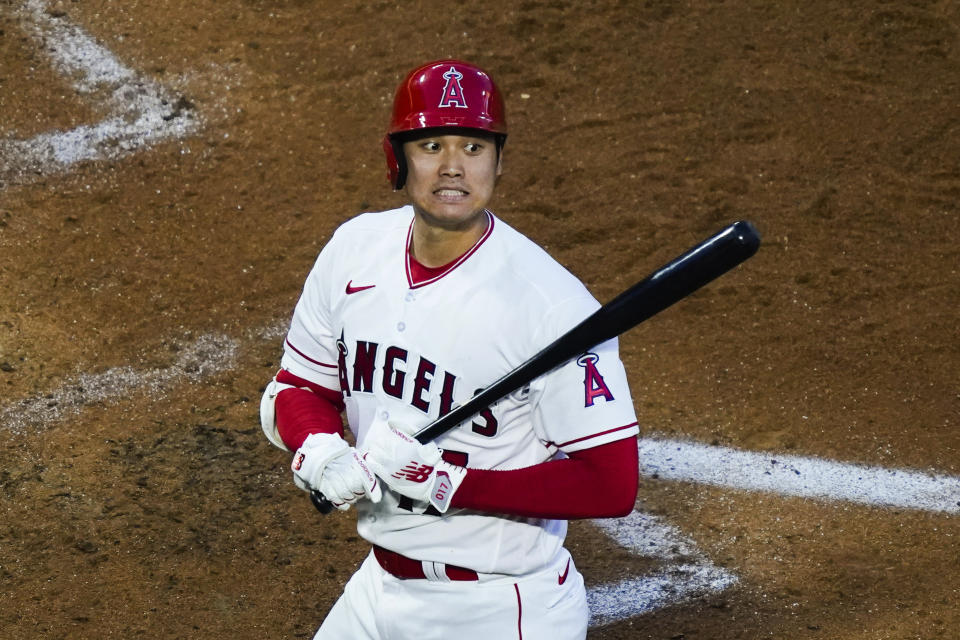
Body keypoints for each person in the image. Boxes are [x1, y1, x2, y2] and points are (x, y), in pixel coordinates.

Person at [259, 59, 640, 640]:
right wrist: (320, 446)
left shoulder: (552, 307)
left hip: (496, 607)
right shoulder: (354, 249)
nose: (454, 167)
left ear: (498, 161)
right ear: (399, 159)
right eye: (432, 144)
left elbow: (611, 483)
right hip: (376, 588)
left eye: (474, 146)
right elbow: (300, 386)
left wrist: (449, 484)